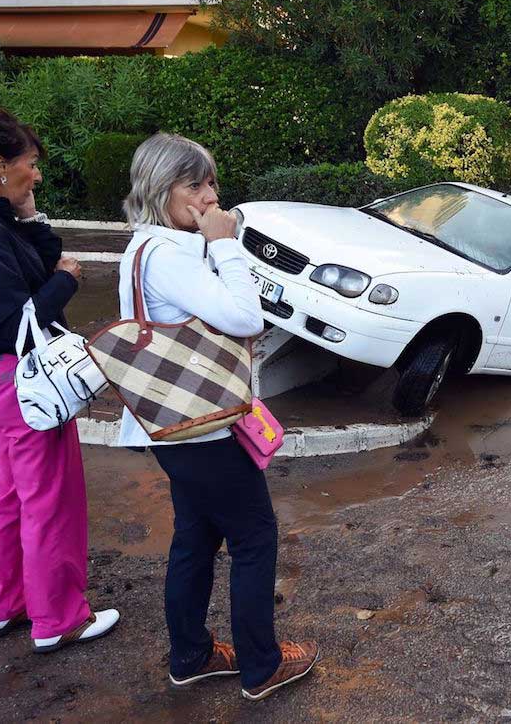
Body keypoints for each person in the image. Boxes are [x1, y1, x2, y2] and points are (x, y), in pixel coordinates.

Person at [118, 132, 318, 700]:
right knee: (254, 537)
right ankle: (261, 666)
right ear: (162, 189)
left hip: (175, 421)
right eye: (195, 183)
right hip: (200, 424)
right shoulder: (169, 256)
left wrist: (210, 244)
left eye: (212, 181)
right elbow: (244, 316)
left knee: (196, 537)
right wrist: (225, 244)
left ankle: (193, 655)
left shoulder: (146, 248)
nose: (210, 195)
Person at [0, 103, 119, 652]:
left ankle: (1, 605)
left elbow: (36, 261)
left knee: (10, 496)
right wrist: (66, 283)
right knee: (49, 501)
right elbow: (17, 320)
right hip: (21, 379)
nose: (36, 173)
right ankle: (58, 619)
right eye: (29, 164)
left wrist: (31, 217)